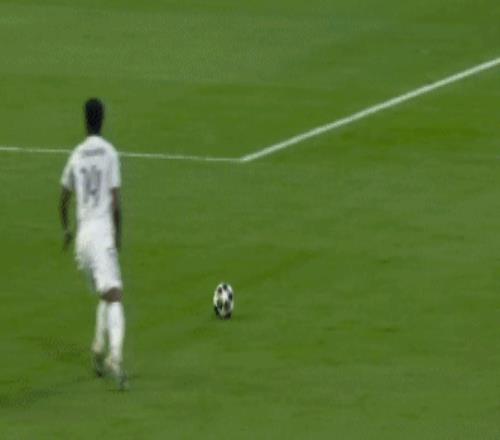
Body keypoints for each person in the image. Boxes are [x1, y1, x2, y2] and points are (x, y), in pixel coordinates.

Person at [59, 98, 127, 390]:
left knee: (104, 291)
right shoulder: (110, 153)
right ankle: (115, 357)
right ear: (103, 120)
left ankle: (98, 349)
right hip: (101, 235)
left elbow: (63, 197)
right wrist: (118, 236)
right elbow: (115, 203)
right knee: (115, 295)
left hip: (82, 240)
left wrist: (66, 230)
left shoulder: (76, 154)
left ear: (85, 121)